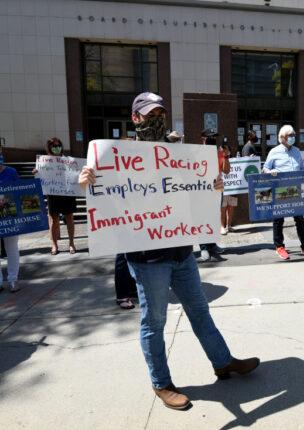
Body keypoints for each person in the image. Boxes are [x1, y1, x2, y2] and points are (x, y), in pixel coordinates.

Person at [78, 92, 259, 410]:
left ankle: (222, 361)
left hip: (181, 251)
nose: (157, 119)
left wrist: (212, 186)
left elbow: (195, 189)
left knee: (200, 312)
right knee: (154, 321)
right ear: (135, 118)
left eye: (161, 113)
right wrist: (87, 183)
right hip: (148, 259)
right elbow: (105, 197)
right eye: (150, 114)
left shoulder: (177, 153)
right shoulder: (114, 156)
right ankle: (161, 383)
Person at [263, 125, 304, 260]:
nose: (293, 137)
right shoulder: (274, 152)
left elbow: (302, 168)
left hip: (296, 190)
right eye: (290, 135)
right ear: (282, 138)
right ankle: (279, 246)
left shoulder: (297, 151)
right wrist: (270, 172)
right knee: (278, 219)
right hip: (280, 190)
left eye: (294, 134)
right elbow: (265, 168)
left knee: (300, 219)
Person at [33, 138, 77, 255]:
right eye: (54, 146)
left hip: (68, 192)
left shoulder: (68, 160)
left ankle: (71, 243)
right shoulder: (44, 161)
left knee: (69, 218)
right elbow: (40, 176)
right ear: (49, 148)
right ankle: (54, 244)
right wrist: (37, 172)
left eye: (58, 146)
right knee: (53, 220)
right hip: (53, 193)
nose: (56, 148)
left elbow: (76, 174)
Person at [199, 128, 227, 261]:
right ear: (203, 139)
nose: (213, 140)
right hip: (203, 190)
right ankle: (204, 248)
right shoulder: (197, 153)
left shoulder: (220, 152)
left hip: (217, 188)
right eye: (210, 138)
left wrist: (226, 155)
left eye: (214, 138)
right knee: (203, 218)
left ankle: (212, 245)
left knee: (214, 217)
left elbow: (226, 170)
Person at [0, 147, 21, 293]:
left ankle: (13, 280)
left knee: (12, 248)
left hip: (10, 215)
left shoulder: (11, 172)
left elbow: (21, 192)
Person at [220, 143, 237, 235]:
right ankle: (222, 226)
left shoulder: (234, 159)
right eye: (224, 149)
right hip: (223, 189)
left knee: (231, 207)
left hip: (233, 188)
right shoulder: (220, 160)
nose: (226, 151)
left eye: (227, 149)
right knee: (223, 208)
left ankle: (229, 226)